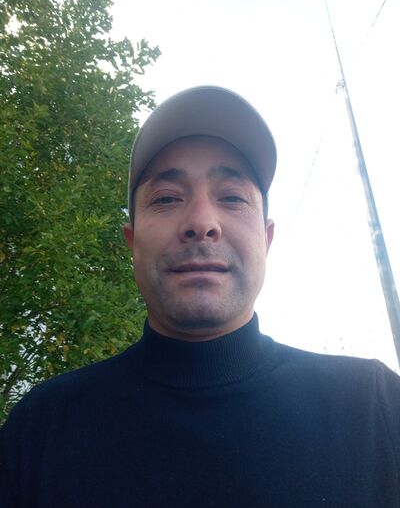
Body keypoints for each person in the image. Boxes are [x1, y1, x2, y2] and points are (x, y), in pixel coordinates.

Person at [0, 86, 399, 508]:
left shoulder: (376, 408)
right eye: (167, 198)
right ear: (132, 243)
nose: (202, 222)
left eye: (232, 197)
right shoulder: (40, 430)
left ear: (266, 239)